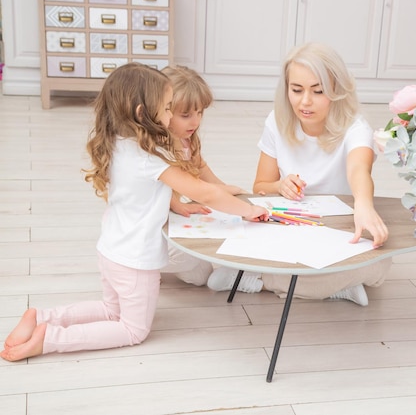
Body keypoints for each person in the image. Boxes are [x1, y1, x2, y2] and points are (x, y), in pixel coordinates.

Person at [1, 63, 269, 362]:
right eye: (168, 108)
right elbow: (203, 191)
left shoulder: (119, 143)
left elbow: (142, 193)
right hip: (135, 261)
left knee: (109, 310)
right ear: (144, 113)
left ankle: (40, 317)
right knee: (132, 330)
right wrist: (248, 210)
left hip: (110, 249)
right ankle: (50, 338)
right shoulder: (152, 158)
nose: (170, 116)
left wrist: (176, 203)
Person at [207, 42, 391, 306]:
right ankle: (335, 286)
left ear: (336, 90)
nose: (305, 101)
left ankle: (254, 279)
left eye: (318, 91)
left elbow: (359, 168)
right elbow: (260, 186)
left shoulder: (355, 127)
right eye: (296, 90)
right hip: (289, 224)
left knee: (380, 267)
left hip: (336, 229)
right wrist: (280, 185)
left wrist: (364, 205)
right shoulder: (277, 120)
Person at [160, 65, 246, 286]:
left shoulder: (187, 140)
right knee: (191, 255)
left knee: (200, 276)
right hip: (154, 225)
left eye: (200, 113)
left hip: (172, 220)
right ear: (163, 110)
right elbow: (191, 191)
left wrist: (228, 193)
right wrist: (220, 194)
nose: (195, 122)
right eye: (186, 115)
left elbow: (204, 172)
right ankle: (141, 267)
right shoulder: (158, 147)